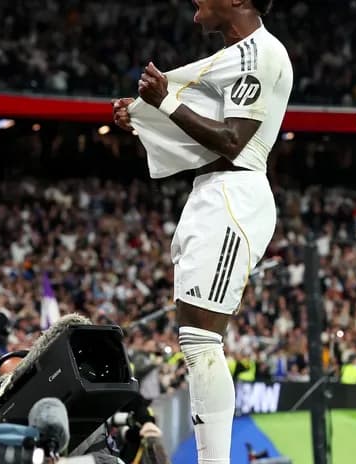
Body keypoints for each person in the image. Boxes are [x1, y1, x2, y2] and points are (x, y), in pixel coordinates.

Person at [112, 0, 288, 462]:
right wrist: (144, 120)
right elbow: (205, 129)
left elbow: (233, 140)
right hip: (214, 192)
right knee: (194, 338)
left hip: (234, 194)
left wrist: (164, 103)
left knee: (202, 340)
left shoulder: (259, 53)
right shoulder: (235, 57)